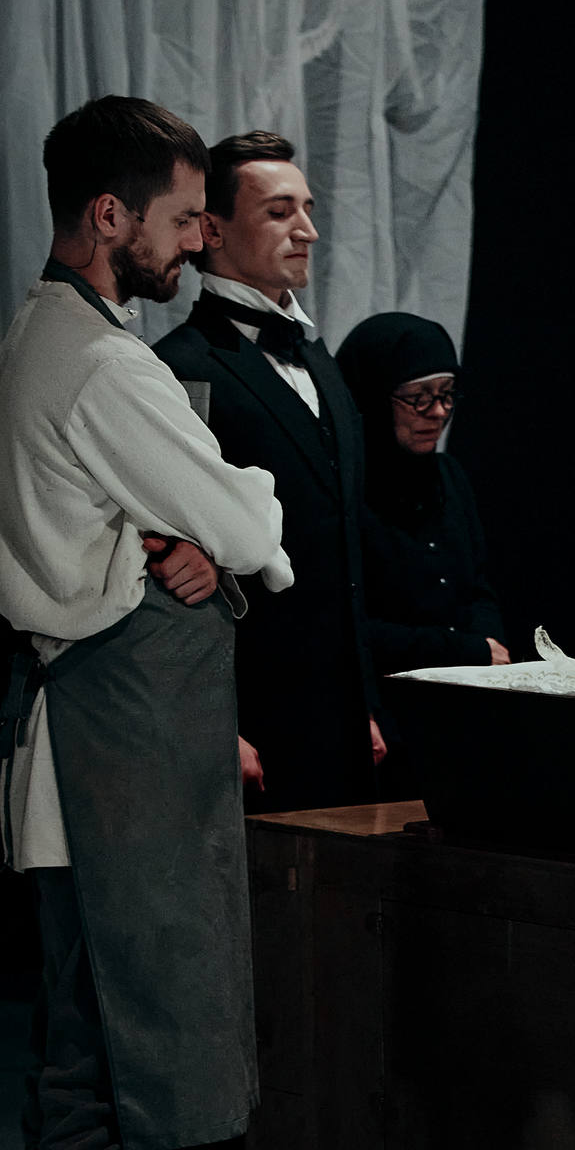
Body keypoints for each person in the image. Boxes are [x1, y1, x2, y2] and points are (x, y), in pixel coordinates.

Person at [0, 95, 283, 1150]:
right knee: (101, 1077)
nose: (194, 241)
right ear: (110, 216)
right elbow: (246, 518)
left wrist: (185, 533)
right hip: (101, 761)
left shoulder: (47, 336)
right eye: (179, 219)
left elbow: (204, 531)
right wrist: (218, 521)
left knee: (93, 1070)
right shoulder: (104, 365)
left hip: (89, 757)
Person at [154, 130, 384, 816]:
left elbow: (345, 551)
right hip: (248, 724)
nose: (307, 230)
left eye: (307, 209)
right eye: (280, 212)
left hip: (344, 724)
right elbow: (165, 567)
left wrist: (365, 702)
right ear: (211, 230)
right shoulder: (177, 367)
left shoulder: (321, 361)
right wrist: (214, 722)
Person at [335, 311, 508, 674]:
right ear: (372, 398)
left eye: (447, 394)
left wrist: (488, 647)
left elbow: (479, 590)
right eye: (419, 398)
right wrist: (463, 651)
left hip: (469, 682)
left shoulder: (449, 475)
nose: (439, 412)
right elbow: (344, 624)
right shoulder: (340, 488)